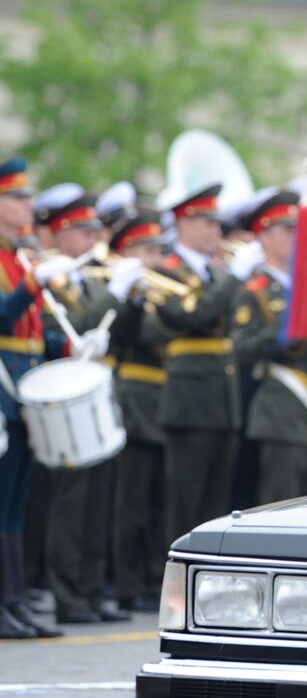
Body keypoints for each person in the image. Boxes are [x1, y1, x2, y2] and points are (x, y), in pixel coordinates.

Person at [34, 192, 124, 625]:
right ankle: (67, 594)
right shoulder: (51, 278)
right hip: (66, 398)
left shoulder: (90, 280)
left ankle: (90, 589)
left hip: (98, 395)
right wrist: (114, 298)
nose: (94, 238)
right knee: (71, 502)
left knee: (98, 500)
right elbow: (69, 325)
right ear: (62, 233)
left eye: (95, 230)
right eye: (83, 231)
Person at [230, 192, 307, 505]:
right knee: (280, 502)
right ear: (264, 236)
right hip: (281, 406)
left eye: (298, 229)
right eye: (287, 230)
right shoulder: (255, 291)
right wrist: (283, 336)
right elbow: (242, 349)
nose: (296, 237)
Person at [154, 184, 244, 544]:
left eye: (216, 223)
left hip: (222, 399)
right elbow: (194, 316)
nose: (216, 232)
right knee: (184, 502)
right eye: (207, 223)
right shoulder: (167, 270)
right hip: (189, 402)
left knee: (215, 503)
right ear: (184, 224)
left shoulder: (213, 274)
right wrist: (233, 278)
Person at [0, 158, 67, 639]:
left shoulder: (21, 257)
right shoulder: (16, 265)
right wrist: (31, 286)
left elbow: (34, 332)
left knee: (16, 503)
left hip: (26, 389)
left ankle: (14, 600)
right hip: (3, 387)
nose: (28, 206)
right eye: (18, 198)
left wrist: (69, 349)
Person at [104, 212, 170, 613]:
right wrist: (125, 298)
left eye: (158, 250)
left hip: (164, 401)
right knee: (132, 501)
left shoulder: (159, 294)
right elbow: (125, 336)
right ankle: (126, 584)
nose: (155, 258)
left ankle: (150, 578)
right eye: (147, 250)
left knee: (158, 500)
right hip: (135, 397)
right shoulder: (123, 293)